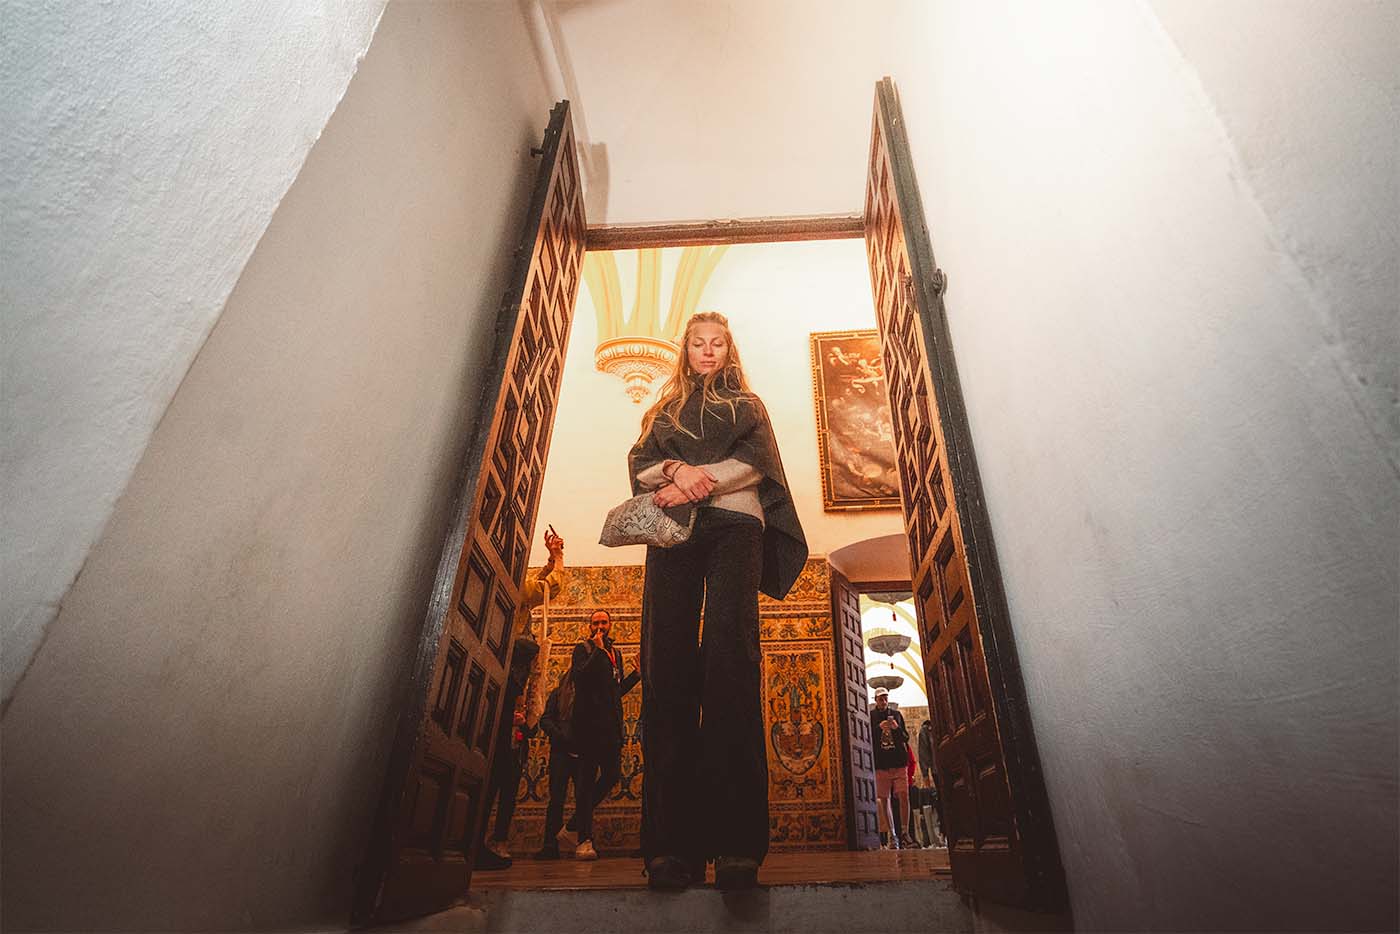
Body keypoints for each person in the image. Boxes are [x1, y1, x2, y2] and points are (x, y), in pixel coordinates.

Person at [629, 311, 808, 891]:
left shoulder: (748, 406)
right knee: (668, 667)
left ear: (729, 350)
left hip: (736, 527)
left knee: (730, 664)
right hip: (671, 528)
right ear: (685, 351)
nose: (707, 351)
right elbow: (641, 464)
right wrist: (675, 470)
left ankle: (736, 847)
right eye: (698, 344)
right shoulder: (663, 411)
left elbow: (756, 464)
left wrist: (693, 480)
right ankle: (669, 847)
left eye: (717, 343)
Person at [475, 527, 564, 871]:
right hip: (505, 701)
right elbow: (548, 588)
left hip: (497, 698)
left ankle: (482, 841)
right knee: (501, 774)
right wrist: (558, 559)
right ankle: (484, 843)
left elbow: (533, 588)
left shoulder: (495, 584)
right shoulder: (511, 588)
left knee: (500, 774)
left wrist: (548, 561)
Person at [567, 609, 640, 861]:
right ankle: (584, 840)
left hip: (610, 730)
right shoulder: (583, 649)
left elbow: (615, 691)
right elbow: (580, 679)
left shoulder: (615, 654)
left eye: (604, 622)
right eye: (595, 622)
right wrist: (597, 652)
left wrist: (637, 675)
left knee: (611, 776)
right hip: (588, 729)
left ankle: (575, 823)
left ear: (610, 625)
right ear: (590, 626)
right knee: (586, 783)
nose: (600, 626)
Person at [532, 679, 579, 860]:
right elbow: (545, 719)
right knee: (556, 799)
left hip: (582, 752)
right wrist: (559, 736)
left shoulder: (590, 696)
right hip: (560, 752)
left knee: (584, 798)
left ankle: (584, 840)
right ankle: (550, 845)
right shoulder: (558, 694)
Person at [870, 686, 911, 850]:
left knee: (904, 796)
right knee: (884, 799)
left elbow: (905, 737)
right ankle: (892, 835)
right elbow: (865, 737)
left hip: (899, 762)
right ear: (876, 700)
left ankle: (905, 833)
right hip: (882, 764)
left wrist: (896, 728)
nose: (884, 701)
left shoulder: (896, 714)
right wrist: (878, 728)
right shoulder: (871, 716)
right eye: (881, 699)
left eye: (886, 698)